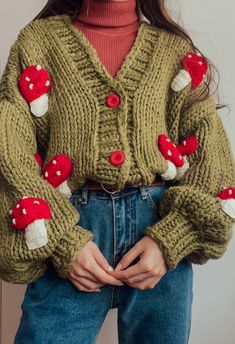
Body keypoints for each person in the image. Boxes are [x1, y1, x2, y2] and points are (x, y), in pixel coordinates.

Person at [0, 0, 234, 343]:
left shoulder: (173, 51)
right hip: (71, 233)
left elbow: (209, 155)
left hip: (158, 246)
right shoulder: (37, 43)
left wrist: (170, 239)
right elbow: (11, 150)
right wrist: (63, 241)